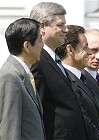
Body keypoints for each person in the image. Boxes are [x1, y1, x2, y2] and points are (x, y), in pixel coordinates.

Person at [30, 2, 88, 139]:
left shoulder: (55, 60)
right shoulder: (37, 61)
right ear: (42, 27)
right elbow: (36, 110)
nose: (66, 30)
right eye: (60, 25)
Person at [55, 25, 99, 140]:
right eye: (86, 47)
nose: (89, 52)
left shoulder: (83, 78)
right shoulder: (65, 80)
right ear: (70, 50)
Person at [0, 18, 44, 139]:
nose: (43, 45)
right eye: (40, 40)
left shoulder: (24, 73)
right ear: (27, 46)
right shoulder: (10, 76)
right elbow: (9, 130)